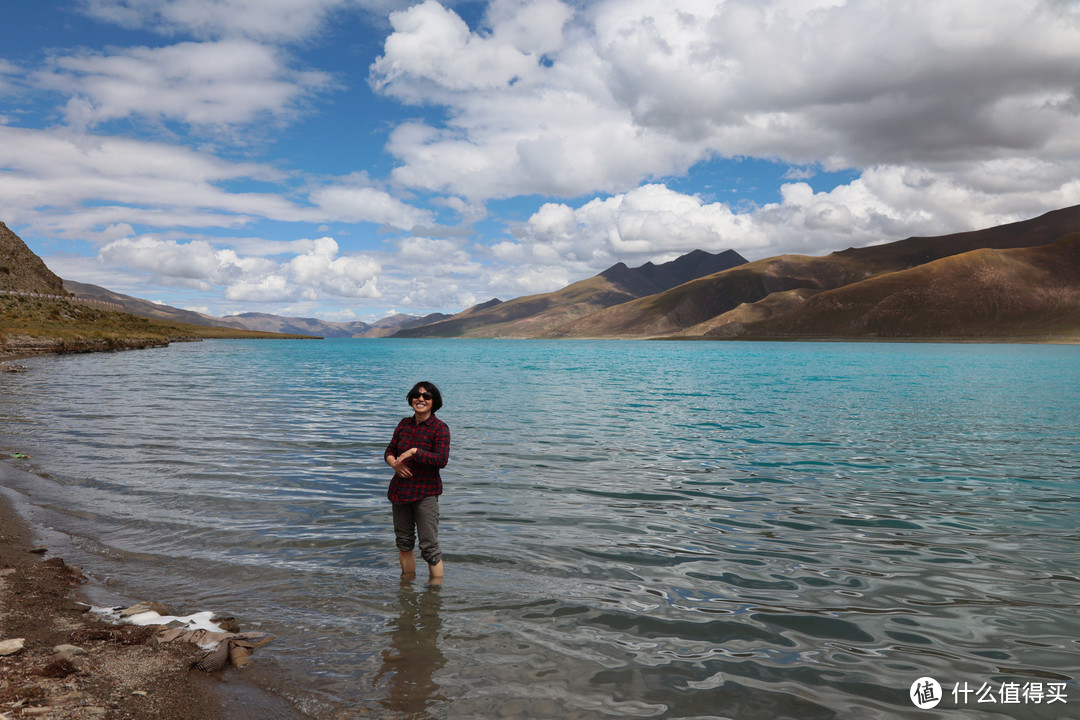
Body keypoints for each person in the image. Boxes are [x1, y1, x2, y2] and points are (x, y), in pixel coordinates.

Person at [385, 381, 450, 579]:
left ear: (433, 401)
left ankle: (434, 597)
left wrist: (414, 452)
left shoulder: (440, 428)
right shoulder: (404, 424)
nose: (420, 399)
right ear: (411, 398)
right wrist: (394, 464)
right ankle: (406, 589)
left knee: (429, 548)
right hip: (400, 492)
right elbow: (389, 451)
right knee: (403, 543)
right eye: (416, 395)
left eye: (426, 396)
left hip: (425, 493)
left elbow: (441, 459)